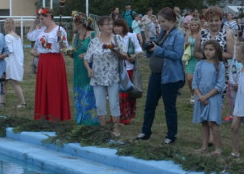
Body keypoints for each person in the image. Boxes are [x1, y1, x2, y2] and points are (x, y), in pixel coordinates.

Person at [135, 8, 184, 144]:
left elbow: (177, 55)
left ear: (172, 21)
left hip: (170, 76)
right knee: (149, 104)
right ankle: (145, 131)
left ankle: (171, 135)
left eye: (163, 21)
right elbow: (155, 49)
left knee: (169, 107)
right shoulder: (162, 33)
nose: (160, 24)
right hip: (155, 75)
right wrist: (149, 48)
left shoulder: (178, 35)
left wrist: (158, 50)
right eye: (159, 21)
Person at [85, 15, 127, 138]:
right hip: (98, 77)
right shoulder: (94, 41)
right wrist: (89, 69)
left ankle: (116, 129)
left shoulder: (117, 39)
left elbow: (125, 56)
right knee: (100, 104)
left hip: (113, 76)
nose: (110, 26)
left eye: (111, 24)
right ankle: (103, 128)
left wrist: (117, 51)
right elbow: (87, 58)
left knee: (114, 103)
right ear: (100, 27)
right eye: (107, 24)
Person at [27, 8, 71, 121]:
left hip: (54, 62)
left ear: (49, 17)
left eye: (42, 19)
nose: (41, 21)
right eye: (39, 19)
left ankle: (55, 115)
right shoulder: (41, 30)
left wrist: (60, 39)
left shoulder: (59, 30)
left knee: (53, 89)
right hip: (42, 62)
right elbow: (30, 36)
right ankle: (43, 115)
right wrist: (35, 22)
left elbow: (64, 49)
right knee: (44, 89)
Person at [192, 39, 227, 154]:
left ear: (217, 51)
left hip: (212, 97)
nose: (208, 52)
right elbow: (195, 82)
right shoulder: (199, 64)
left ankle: (218, 148)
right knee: (204, 122)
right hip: (200, 97)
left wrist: (206, 96)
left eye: (211, 50)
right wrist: (199, 96)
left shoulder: (220, 66)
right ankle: (204, 146)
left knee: (212, 122)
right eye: (206, 49)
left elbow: (220, 84)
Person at [71, 13, 98, 125]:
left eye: (75, 22)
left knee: (89, 91)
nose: (74, 24)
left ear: (81, 23)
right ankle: (80, 117)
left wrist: (88, 53)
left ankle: (91, 119)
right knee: (79, 91)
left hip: (89, 66)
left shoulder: (93, 35)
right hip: (78, 66)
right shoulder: (75, 36)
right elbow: (73, 53)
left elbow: (98, 50)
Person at [2, 18, 27, 109]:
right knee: (3, 82)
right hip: (16, 61)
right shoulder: (17, 36)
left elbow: (9, 51)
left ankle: (23, 103)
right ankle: (2, 102)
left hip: (10, 63)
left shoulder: (8, 37)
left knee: (13, 82)